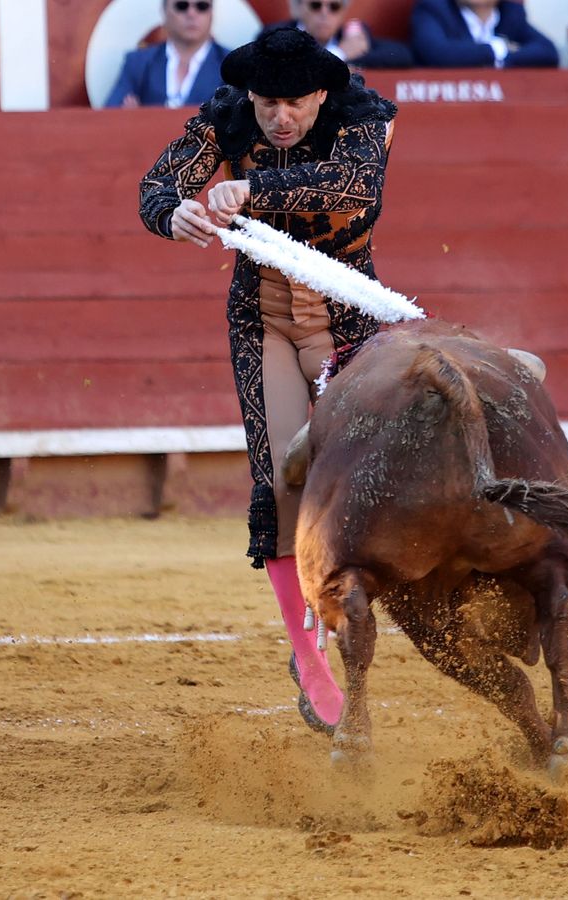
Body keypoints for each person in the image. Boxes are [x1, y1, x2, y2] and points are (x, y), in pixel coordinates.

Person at [137, 28, 397, 735]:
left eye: (293, 103)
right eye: (267, 103)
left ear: (319, 94)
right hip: (263, 320)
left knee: (359, 477)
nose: (279, 118)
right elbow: (157, 185)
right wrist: (177, 212)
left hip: (348, 321)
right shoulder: (227, 115)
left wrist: (251, 187)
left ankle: (343, 606)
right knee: (281, 479)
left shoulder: (362, 117)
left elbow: (355, 184)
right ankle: (312, 664)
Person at [105, 0, 228, 108]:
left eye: (202, 6)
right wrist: (130, 120)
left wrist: (140, 116)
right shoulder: (137, 62)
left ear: (212, 14)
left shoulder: (231, 65)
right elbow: (112, 114)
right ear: (164, 11)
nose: (191, 13)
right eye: (181, 5)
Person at [263, 0, 413, 69]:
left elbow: (402, 55)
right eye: (315, 5)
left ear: (343, 13)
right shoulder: (276, 33)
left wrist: (356, 54)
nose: (324, 13)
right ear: (299, 7)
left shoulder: (349, 36)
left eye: (334, 7)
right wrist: (339, 54)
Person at [410, 0, 558, 69]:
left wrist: (505, 57)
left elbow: (548, 51)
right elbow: (437, 53)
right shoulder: (433, 9)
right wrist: (496, 49)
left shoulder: (511, 13)